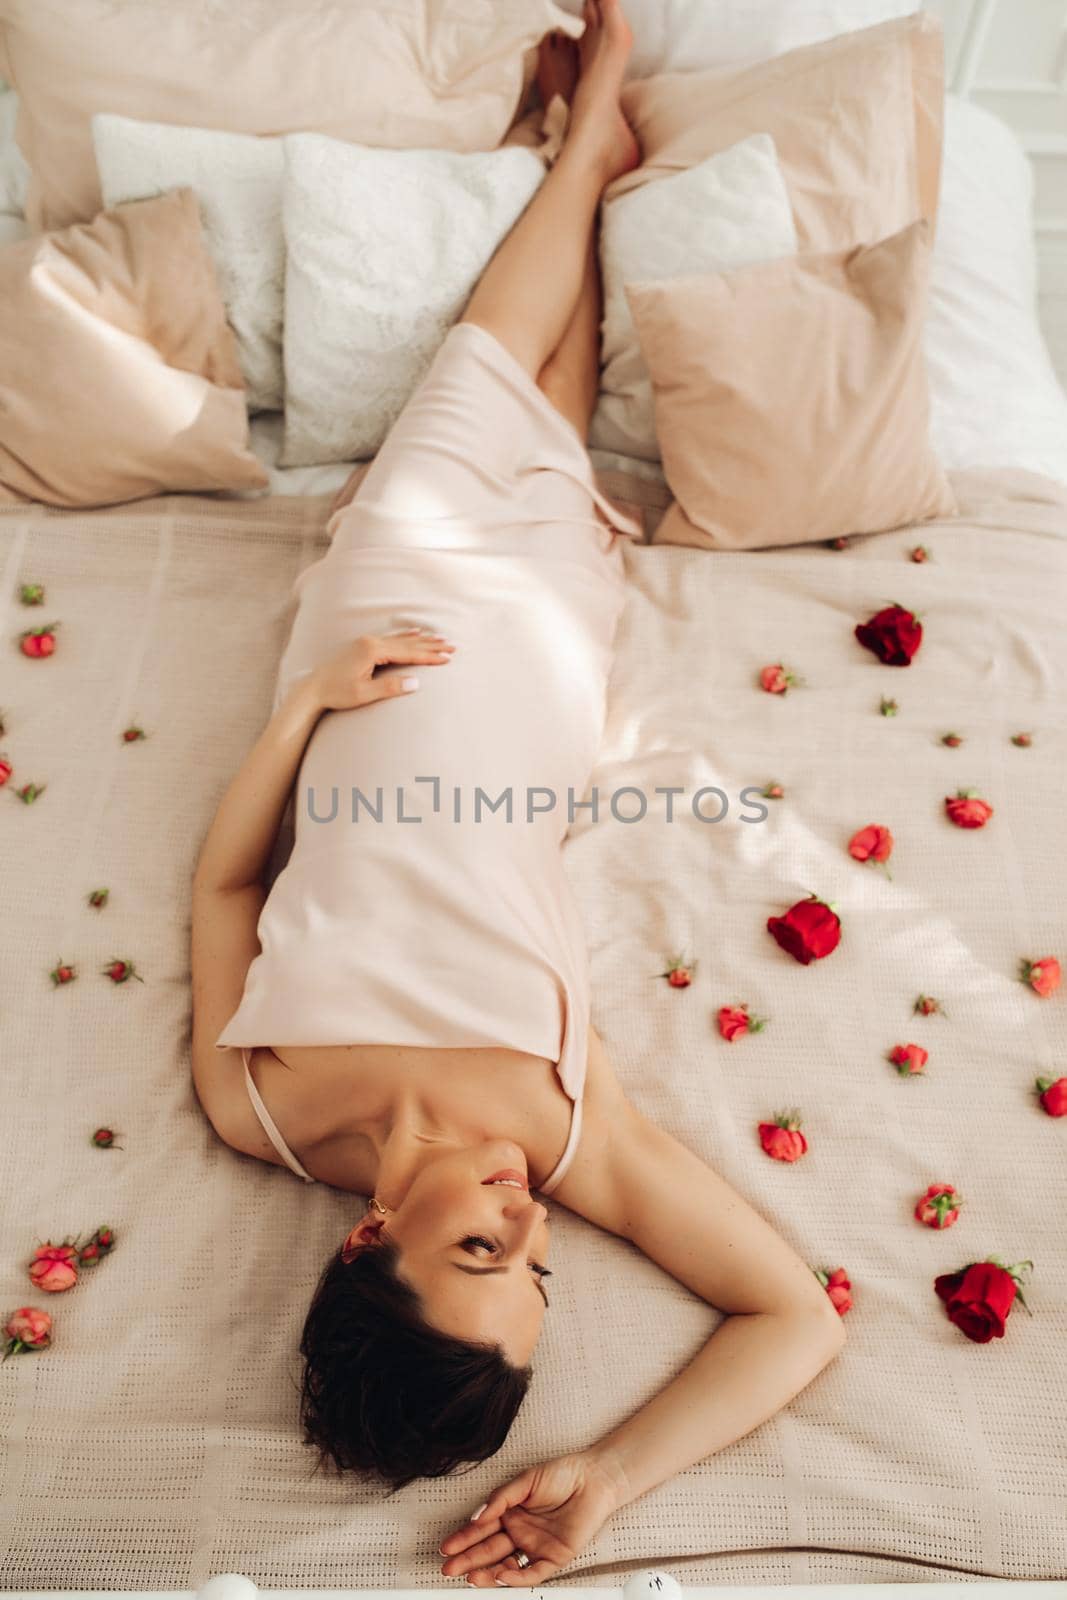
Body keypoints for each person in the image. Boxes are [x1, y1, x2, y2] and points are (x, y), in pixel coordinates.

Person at [190, 0, 846, 1583]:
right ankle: (592, 155)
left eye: (484, 1250)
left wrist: (302, 712)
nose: (530, 1227)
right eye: (538, 1271)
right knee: (543, 414)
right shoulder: (561, 1138)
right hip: (545, 662)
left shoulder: (260, 1108)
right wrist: (606, 1482)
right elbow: (794, 1320)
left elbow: (224, 888)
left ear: (370, 1243)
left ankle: (594, 106)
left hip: (391, 637)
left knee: (485, 368)